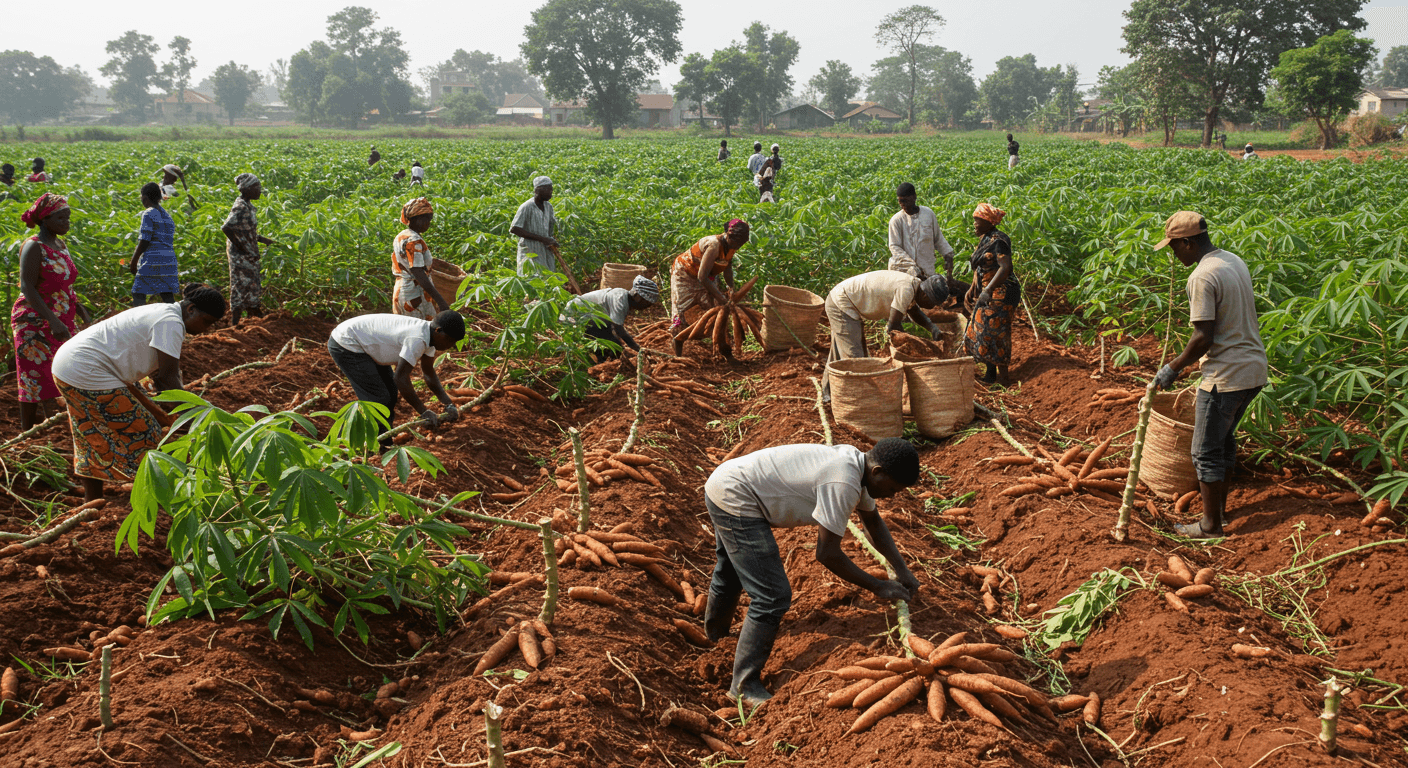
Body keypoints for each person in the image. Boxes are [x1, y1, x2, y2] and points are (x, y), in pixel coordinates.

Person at [703, 437, 922, 706]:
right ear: (878, 472)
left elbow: (873, 523)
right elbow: (827, 554)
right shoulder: (843, 481)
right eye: (893, 488)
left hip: (727, 482)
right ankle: (744, 686)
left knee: (731, 571)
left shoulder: (858, 465)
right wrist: (877, 585)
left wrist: (903, 571)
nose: (892, 495)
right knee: (772, 596)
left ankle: (716, 639)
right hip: (737, 497)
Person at [51, 284, 226, 501]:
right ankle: (161, 497)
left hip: (68, 366)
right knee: (147, 434)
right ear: (191, 309)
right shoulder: (170, 323)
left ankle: (93, 501)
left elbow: (161, 377)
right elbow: (167, 381)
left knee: (89, 433)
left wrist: (181, 412)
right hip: (89, 371)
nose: (206, 329)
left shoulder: (164, 312)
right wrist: (199, 417)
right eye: (206, 322)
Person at [1151, 212, 1267, 539]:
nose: (1174, 256)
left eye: (1174, 248)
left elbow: (1203, 336)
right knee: (1223, 441)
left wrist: (1172, 368)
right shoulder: (1232, 260)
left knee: (1204, 451)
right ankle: (1220, 513)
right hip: (1253, 369)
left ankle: (1210, 525)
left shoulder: (1202, 276)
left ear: (1187, 242)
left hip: (1226, 377)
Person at [326, 310, 465, 448]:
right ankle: (346, 442)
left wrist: (448, 404)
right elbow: (401, 378)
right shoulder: (418, 339)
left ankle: (383, 440)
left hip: (367, 344)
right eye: (450, 340)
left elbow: (428, 373)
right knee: (378, 399)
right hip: (347, 342)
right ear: (438, 331)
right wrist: (423, 411)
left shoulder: (430, 337)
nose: (451, 345)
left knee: (391, 393)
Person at [13, 193, 91, 431]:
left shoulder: (60, 244)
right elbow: (27, 286)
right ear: (45, 219)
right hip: (34, 320)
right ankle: (27, 431)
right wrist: (52, 320)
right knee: (34, 377)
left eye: (68, 217)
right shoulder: (34, 246)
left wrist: (82, 312)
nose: (67, 222)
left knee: (61, 371)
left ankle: (56, 427)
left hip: (61, 318)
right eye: (61, 217)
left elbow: (65, 284)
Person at [822, 271, 946, 401]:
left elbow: (914, 311)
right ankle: (859, 401)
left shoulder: (914, 286)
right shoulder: (906, 289)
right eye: (933, 303)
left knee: (843, 350)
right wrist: (911, 349)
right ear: (925, 295)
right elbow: (894, 327)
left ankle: (827, 394)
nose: (932, 307)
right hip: (841, 303)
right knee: (855, 357)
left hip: (842, 300)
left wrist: (933, 328)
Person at [670, 219, 750, 356]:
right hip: (685, 274)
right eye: (737, 243)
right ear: (729, 236)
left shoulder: (731, 246)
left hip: (709, 275)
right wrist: (719, 296)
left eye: (741, 244)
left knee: (715, 312)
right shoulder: (713, 246)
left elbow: (727, 267)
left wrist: (731, 288)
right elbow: (702, 277)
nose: (738, 247)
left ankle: (725, 350)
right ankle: (677, 346)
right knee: (684, 312)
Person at [964, 203, 1020, 385]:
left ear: (988, 221)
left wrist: (987, 291)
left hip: (1002, 293)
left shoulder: (999, 241)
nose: (975, 224)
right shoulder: (985, 238)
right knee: (983, 331)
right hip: (989, 291)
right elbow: (980, 266)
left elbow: (1005, 268)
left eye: (977, 220)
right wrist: (973, 288)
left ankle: (1004, 380)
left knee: (997, 332)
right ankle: (990, 374)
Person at [561, 275, 659, 364]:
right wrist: (636, 348)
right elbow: (619, 329)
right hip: (573, 317)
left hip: (590, 319)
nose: (647, 306)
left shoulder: (622, 296)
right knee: (614, 347)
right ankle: (599, 366)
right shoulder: (620, 301)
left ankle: (601, 361)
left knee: (610, 339)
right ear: (637, 297)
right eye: (646, 303)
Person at [220, 173, 277, 326]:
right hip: (240, 254)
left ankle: (255, 312)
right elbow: (227, 227)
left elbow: (245, 230)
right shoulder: (240, 206)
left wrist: (262, 239)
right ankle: (235, 322)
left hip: (249, 251)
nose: (260, 191)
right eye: (257, 187)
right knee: (240, 284)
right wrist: (242, 247)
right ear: (247, 189)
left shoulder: (249, 206)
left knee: (252, 282)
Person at [391, 197, 453, 320]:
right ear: (415, 219)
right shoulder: (414, 241)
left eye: (429, 220)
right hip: (414, 294)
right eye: (425, 220)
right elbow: (418, 272)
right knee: (419, 331)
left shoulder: (403, 235)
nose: (428, 224)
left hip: (404, 289)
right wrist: (440, 301)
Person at [888, 182, 956, 283]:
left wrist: (948, 254)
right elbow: (894, 247)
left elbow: (938, 239)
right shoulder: (896, 220)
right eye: (900, 201)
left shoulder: (928, 214)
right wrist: (912, 267)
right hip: (903, 273)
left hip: (927, 270)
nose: (903, 204)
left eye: (906, 200)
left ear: (914, 197)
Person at [129, 183, 179, 307]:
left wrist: (134, 261)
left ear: (145, 198)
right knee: (167, 295)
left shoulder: (148, 213)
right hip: (169, 260)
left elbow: (145, 240)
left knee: (138, 292)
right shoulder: (167, 216)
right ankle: (178, 319)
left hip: (153, 259)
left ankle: (139, 322)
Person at [510, 176, 560, 277]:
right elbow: (515, 228)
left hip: (545, 249)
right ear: (538, 190)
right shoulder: (526, 207)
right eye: (549, 189)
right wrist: (542, 239)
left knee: (548, 278)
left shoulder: (548, 206)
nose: (551, 192)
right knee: (531, 278)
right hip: (530, 249)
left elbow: (550, 227)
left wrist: (551, 240)